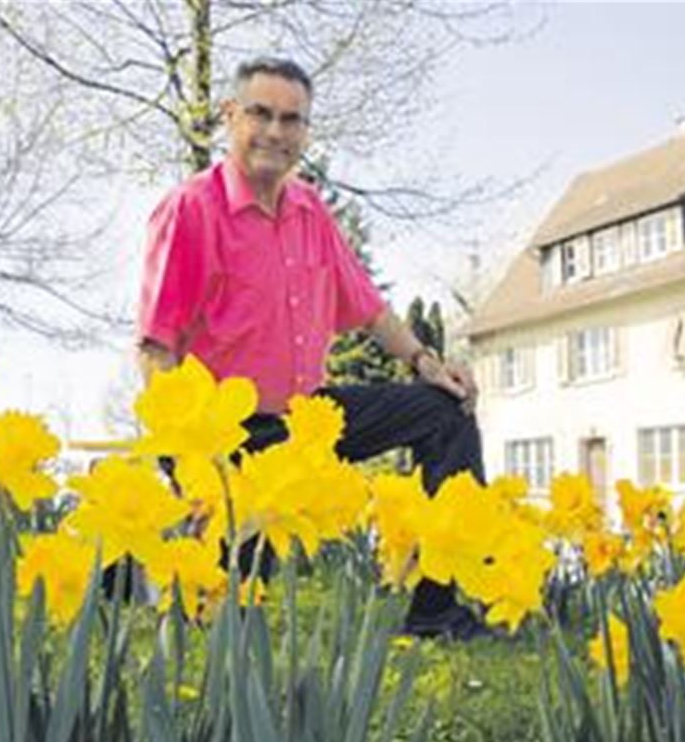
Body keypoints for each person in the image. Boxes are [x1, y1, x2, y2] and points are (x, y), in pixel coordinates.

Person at [137, 57, 487, 640]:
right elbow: (155, 347)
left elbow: (367, 306)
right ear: (230, 117)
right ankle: (134, 568)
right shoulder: (191, 210)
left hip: (308, 422)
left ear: (305, 132)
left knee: (443, 413)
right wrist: (190, 462)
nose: (276, 131)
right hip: (228, 437)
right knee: (228, 611)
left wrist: (426, 363)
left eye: (291, 120)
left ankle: (437, 612)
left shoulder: (308, 209)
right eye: (261, 114)